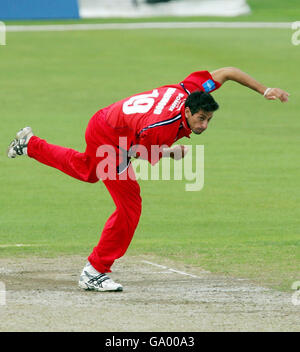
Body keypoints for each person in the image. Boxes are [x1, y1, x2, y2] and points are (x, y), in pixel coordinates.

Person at [7, 67, 289, 292]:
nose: (204, 125)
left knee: (88, 170)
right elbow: (137, 150)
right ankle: (95, 271)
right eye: (200, 119)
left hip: (106, 121)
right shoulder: (160, 127)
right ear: (187, 111)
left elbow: (228, 72)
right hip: (111, 138)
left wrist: (265, 90)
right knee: (130, 205)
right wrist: (171, 154)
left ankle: (30, 144)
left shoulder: (193, 90)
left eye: (209, 120)